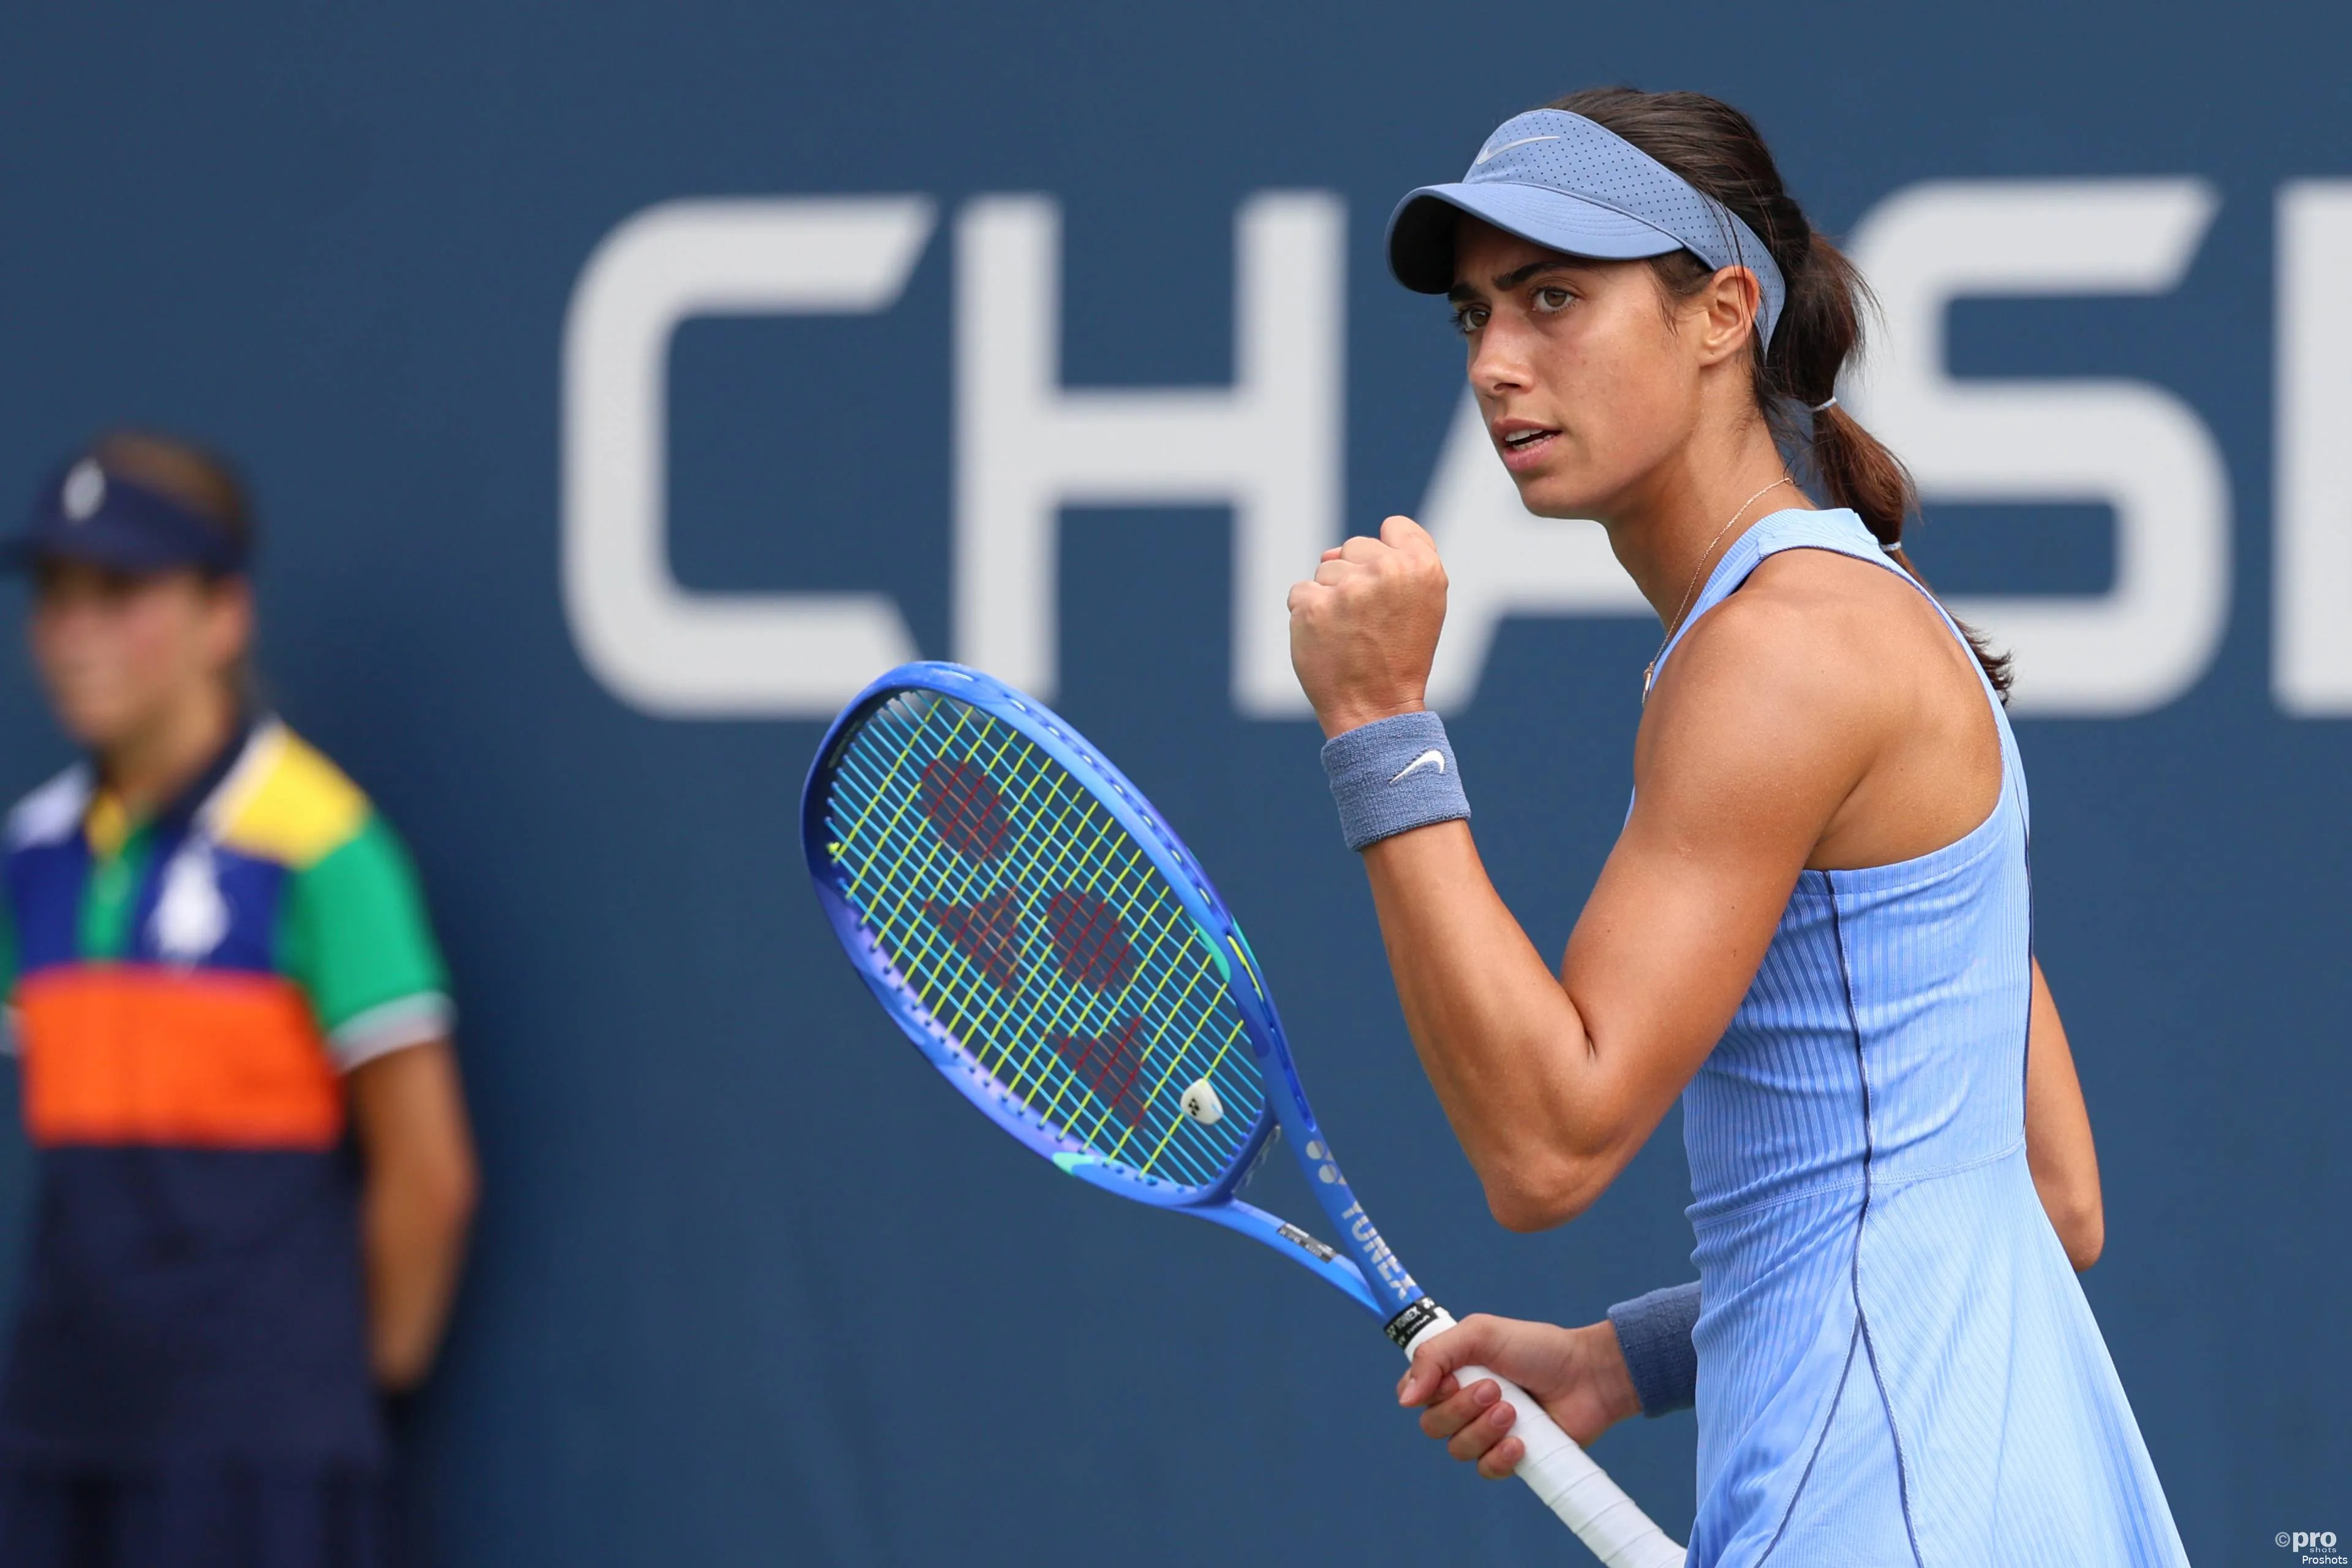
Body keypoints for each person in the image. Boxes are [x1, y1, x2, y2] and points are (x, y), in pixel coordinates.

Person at [1287, 89, 2185, 1564]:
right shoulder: (1859, 612)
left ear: (1721, 313)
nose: (1497, 361)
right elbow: (2050, 1193)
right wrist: (1626, 1355)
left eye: (1554, 298)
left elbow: (1547, 1147)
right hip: (2032, 1497)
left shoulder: (1773, 657)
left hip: (1883, 1510)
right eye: (1475, 315)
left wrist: (1378, 723)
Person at [0, 433, 478, 1567]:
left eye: (120, 593)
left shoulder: (326, 846)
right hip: (60, 1439)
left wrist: (319, 1404)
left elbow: (430, 1176)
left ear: (224, 616)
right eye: (58, 595)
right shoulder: (31, 853)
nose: (74, 633)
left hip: (261, 1466)